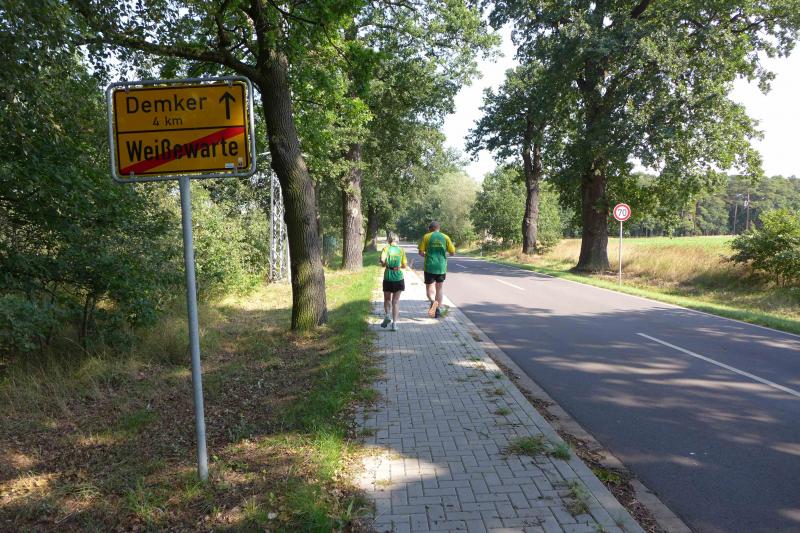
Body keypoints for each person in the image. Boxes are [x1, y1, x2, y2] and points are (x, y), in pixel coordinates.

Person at [418, 220, 455, 318]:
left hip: (429, 266)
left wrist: (427, 255)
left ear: (431, 228)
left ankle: (433, 302)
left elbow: (421, 252)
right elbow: (452, 253)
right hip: (441, 267)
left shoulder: (426, 236)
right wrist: (443, 255)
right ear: (439, 228)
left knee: (429, 287)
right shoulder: (445, 237)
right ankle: (437, 309)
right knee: (439, 288)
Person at [380, 233, 407, 331]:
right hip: (398, 277)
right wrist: (399, 266)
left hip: (388, 276)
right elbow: (404, 265)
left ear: (389, 240)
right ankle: (394, 324)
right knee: (395, 302)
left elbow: (382, 260)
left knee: (387, 299)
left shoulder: (386, 249)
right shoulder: (401, 250)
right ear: (397, 240)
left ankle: (387, 315)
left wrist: (385, 264)